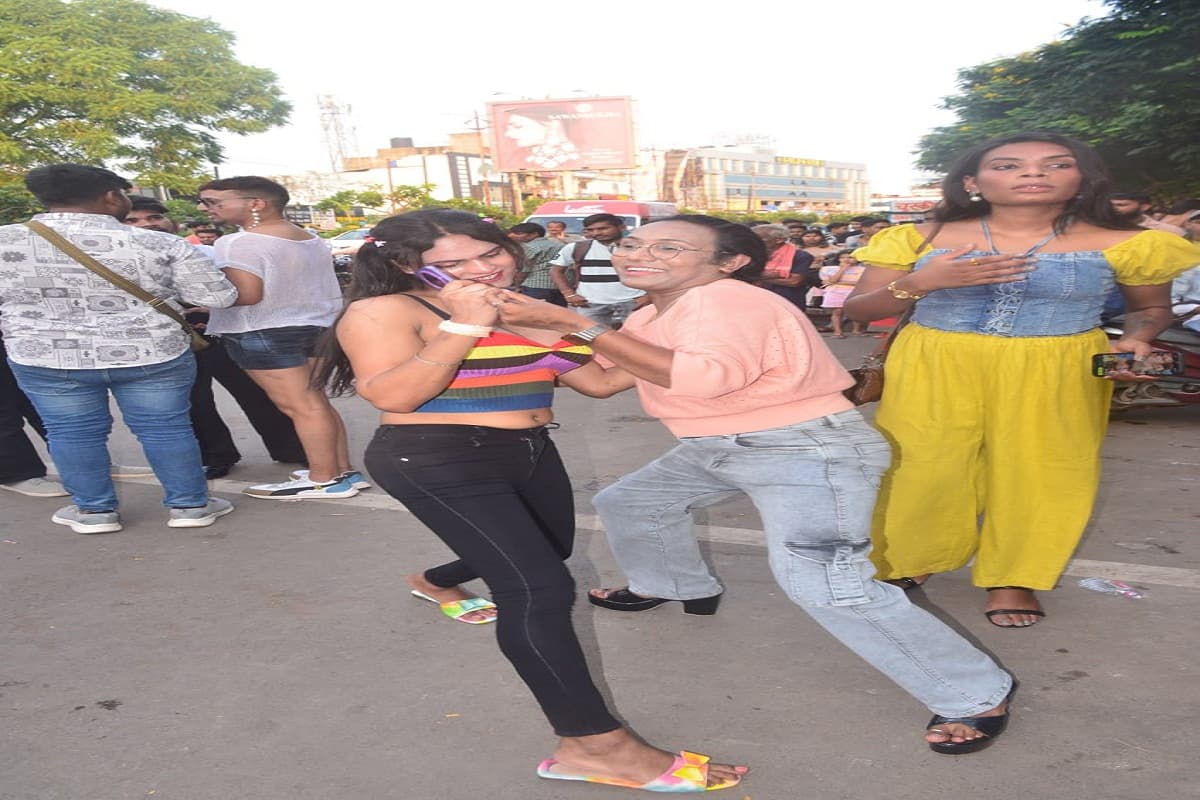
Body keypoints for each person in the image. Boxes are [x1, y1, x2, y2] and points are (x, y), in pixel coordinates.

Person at [499, 214, 1016, 757]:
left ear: (730, 262)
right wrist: (527, 331)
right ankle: (676, 583)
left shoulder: (726, 300)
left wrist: (564, 320)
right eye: (632, 243)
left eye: (670, 247)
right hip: (720, 445)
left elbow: (703, 377)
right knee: (631, 502)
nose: (638, 253)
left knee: (827, 585)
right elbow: (603, 381)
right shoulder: (654, 312)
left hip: (802, 451)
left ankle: (976, 694)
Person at [314, 209, 747, 792]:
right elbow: (393, 393)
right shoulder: (383, 310)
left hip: (529, 450)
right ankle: (592, 744)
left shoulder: (524, 309)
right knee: (539, 588)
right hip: (436, 454)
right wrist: (463, 325)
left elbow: (597, 381)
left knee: (550, 548)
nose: (480, 270)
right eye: (452, 264)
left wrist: (659, 329)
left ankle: (436, 578)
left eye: (489, 254)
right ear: (407, 266)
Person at [843, 133, 1200, 627]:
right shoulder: (919, 236)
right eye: (1009, 165)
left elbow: (1151, 309)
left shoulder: (1133, 242)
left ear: (1082, 179)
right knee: (921, 465)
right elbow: (861, 309)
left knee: (1044, 469)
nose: (1033, 173)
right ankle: (910, 558)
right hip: (933, 363)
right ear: (972, 181)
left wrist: (1137, 339)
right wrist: (920, 284)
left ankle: (1015, 576)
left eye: (1056, 164)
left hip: (1058, 365)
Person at [1, 164, 240, 533]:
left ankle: (94, 512)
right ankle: (191, 506)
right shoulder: (160, 243)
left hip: (45, 355)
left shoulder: (5, 241)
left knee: (70, 432)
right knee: (166, 428)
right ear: (112, 196)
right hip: (152, 352)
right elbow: (216, 297)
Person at [196, 176, 363, 499]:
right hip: (316, 326)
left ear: (256, 203)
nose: (207, 209)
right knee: (315, 403)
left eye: (215, 202)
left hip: (262, 330)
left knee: (301, 407)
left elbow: (247, 295)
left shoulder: (237, 242)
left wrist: (200, 295)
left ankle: (323, 479)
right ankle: (341, 471)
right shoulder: (308, 237)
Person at [121, 196, 305, 479]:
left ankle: (292, 448)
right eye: (133, 220)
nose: (147, 225)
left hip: (221, 334)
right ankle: (216, 456)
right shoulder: (118, 260)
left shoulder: (204, 253)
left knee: (257, 393)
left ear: (170, 221)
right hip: (167, 341)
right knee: (194, 401)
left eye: (153, 217)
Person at [548, 213, 646, 327]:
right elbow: (555, 271)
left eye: (603, 228)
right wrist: (568, 294)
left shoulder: (640, 248)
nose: (596, 233)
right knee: (592, 339)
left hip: (633, 301)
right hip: (590, 304)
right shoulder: (576, 248)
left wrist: (649, 296)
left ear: (621, 227)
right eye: (590, 230)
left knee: (636, 339)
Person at [751, 223, 815, 309]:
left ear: (779, 240)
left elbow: (794, 282)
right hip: (758, 300)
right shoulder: (752, 255)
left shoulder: (800, 256)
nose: (754, 241)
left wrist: (756, 277)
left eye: (760, 239)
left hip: (788, 301)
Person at [506, 222, 567, 306]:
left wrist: (515, 285)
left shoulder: (529, 247)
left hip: (535, 286)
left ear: (534, 234)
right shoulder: (558, 245)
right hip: (560, 286)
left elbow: (524, 270)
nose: (512, 236)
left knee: (536, 315)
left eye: (518, 233)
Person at [819, 253, 868, 337]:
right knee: (837, 311)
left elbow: (859, 283)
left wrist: (838, 282)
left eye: (850, 257)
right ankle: (838, 331)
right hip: (836, 291)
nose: (846, 259)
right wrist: (842, 269)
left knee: (856, 311)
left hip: (854, 291)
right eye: (843, 257)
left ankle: (856, 330)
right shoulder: (829, 269)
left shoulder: (862, 269)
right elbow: (832, 280)